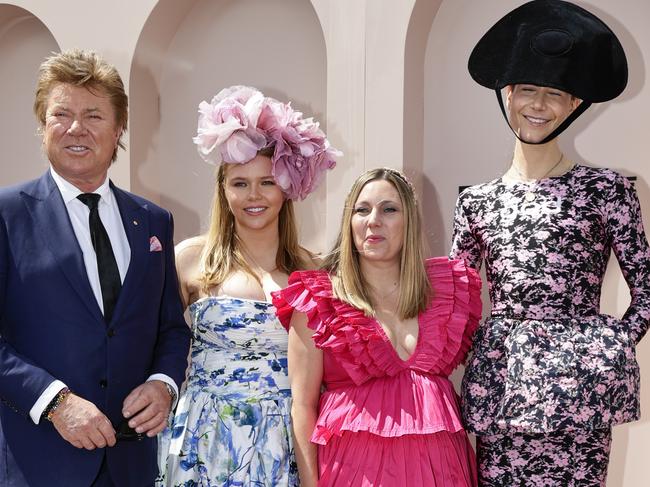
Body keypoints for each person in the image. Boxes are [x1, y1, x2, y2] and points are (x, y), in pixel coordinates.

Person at [450, 1, 650, 485]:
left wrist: (607, 346)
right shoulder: (476, 201)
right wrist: (483, 347)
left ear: (574, 105)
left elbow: (646, 291)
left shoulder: (607, 189)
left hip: (581, 399)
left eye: (555, 93)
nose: (538, 105)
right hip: (501, 392)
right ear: (508, 93)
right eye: (528, 90)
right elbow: (454, 302)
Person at [0, 49, 191, 486]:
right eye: (60, 114)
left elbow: (171, 329)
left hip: (132, 465)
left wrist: (164, 384)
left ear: (119, 127)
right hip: (39, 463)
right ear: (42, 126)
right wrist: (55, 403)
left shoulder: (154, 221)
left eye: (93, 115)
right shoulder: (7, 215)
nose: (75, 128)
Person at [158, 85, 339, 486]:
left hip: (286, 446)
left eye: (267, 182)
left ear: (287, 189)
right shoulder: (190, 259)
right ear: (223, 189)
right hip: (205, 442)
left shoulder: (314, 271)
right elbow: (156, 346)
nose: (253, 196)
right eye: (240, 183)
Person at [272, 167, 481, 486]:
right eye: (362, 210)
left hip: (442, 471)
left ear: (409, 221)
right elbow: (302, 407)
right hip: (353, 474)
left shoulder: (446, 293)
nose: (373, 220)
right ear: (350, 222)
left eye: (389, 209)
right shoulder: (318, 301)